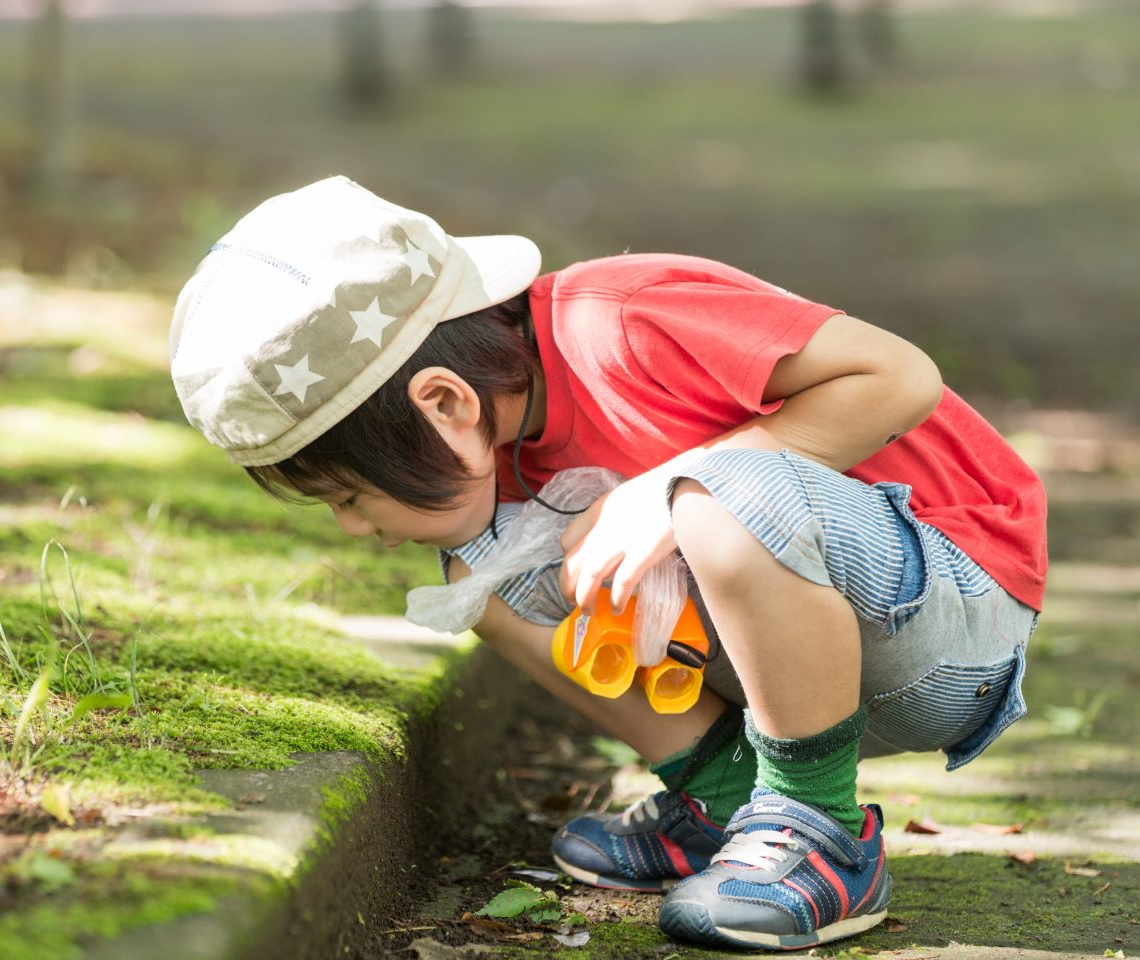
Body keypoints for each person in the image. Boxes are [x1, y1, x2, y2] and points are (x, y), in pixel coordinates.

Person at [168, 176, 1046, 951]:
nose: (354, 528)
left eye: (350, 495)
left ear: (443, 404)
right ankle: (729, 803)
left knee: (713, 494)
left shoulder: (619, 319)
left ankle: (822, 830)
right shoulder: (506, 440)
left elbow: (899, 376)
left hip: (952, 607)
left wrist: (663, 487)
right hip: (807, 649)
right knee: (482, 578)